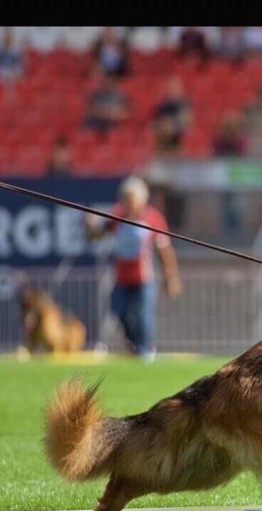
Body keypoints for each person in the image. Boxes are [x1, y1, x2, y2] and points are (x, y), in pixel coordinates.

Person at [85, 177, 181, 361]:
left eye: (131, 198)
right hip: (121, 278)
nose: (127, 203)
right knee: (118, 311)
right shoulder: (117, 216)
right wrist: (90, 226)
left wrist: (171, 276)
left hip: (144, 279)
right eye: (125, 198)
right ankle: (133, 345)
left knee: (142, 316)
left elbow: (165, 250)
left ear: (141, 199)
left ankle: (146, 350)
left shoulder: (153, 218)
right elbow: (96, 236)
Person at [212, 111, 247, 234]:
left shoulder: (239, 138)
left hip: (236, 174)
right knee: (225, 202)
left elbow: (242, 151)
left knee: (235, 202)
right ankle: (227, 230)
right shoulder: (220, 138)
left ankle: (236, 229)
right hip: (223, 175)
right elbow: (215, 150)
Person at [152, 76, 192, 154]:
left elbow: (188, 120)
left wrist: (175, 123)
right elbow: (157, 121)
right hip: (165, 132)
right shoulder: (163, 104)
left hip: (179, 130)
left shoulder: (185, 103)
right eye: (172, 88)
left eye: (176, 88)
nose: (174, 90)